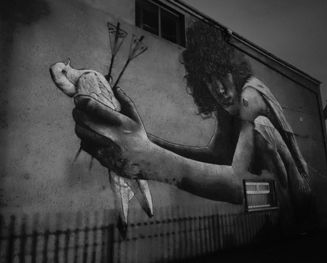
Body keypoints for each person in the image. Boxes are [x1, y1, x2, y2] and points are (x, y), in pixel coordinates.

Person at [72, 21, 312, 223]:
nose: (218, 88)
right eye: (208, 79)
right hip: (282, 198)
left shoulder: (250, 96)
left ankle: (289, 221)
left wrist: (150, 158)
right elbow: (217, 155)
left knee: (262, 131)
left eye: (221, 74)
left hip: (299, 195)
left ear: (233, 70)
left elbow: (237, 182)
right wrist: (149, 142)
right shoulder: (228, 108)